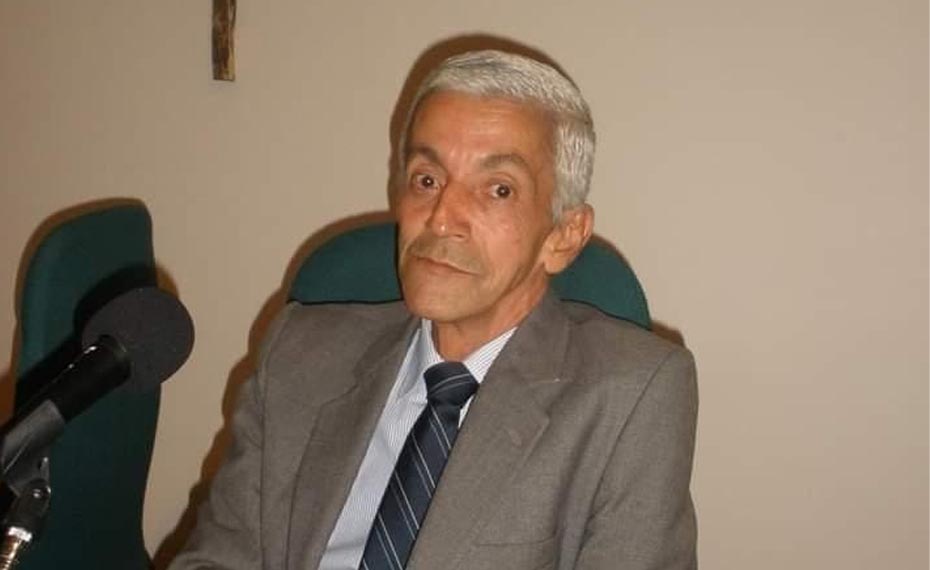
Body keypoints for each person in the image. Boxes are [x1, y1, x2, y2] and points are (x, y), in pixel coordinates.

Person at [170, 49, 697, 570]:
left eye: (498, 190)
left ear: (563, 236)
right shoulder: (301, 353)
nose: (442, 217)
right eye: (427, 179)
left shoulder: (631, 395)